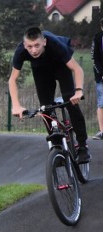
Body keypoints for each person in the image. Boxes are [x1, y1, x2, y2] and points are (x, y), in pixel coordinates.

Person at [8, 27, 91, 163]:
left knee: (71, 102)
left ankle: (82, 146)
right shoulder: (21, 51)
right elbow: (12, 80)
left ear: (44, 42)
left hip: (61, 67)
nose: (33, 50)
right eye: (30, 46)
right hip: (41, 71)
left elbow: (77, 69)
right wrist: (16, 106)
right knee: (46, 109)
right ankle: (57, 147)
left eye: (37, 45)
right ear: (25, 45)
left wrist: (78, 90)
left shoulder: (55, 45)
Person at [92, 18, 103, 140]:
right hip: (101, 77)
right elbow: (94, 58)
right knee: (102, 102)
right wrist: (101, 73)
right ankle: (102, 131)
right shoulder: (98, 38)